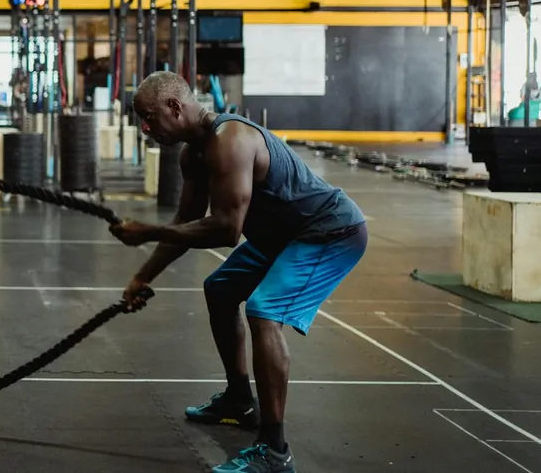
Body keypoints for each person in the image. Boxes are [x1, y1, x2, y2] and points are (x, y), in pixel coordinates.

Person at [108, 71, 367, 473]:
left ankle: (275, 451)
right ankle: (238, 399)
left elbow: (227, 230)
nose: (145, 127)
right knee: (221, 288)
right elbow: (187, 222)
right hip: (281, 234)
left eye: (148, 117)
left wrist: (149, 231)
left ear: (175, 107)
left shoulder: (230, 141)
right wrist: (143, 277)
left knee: (264, 312)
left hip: (328, 232)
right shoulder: (191, 153)